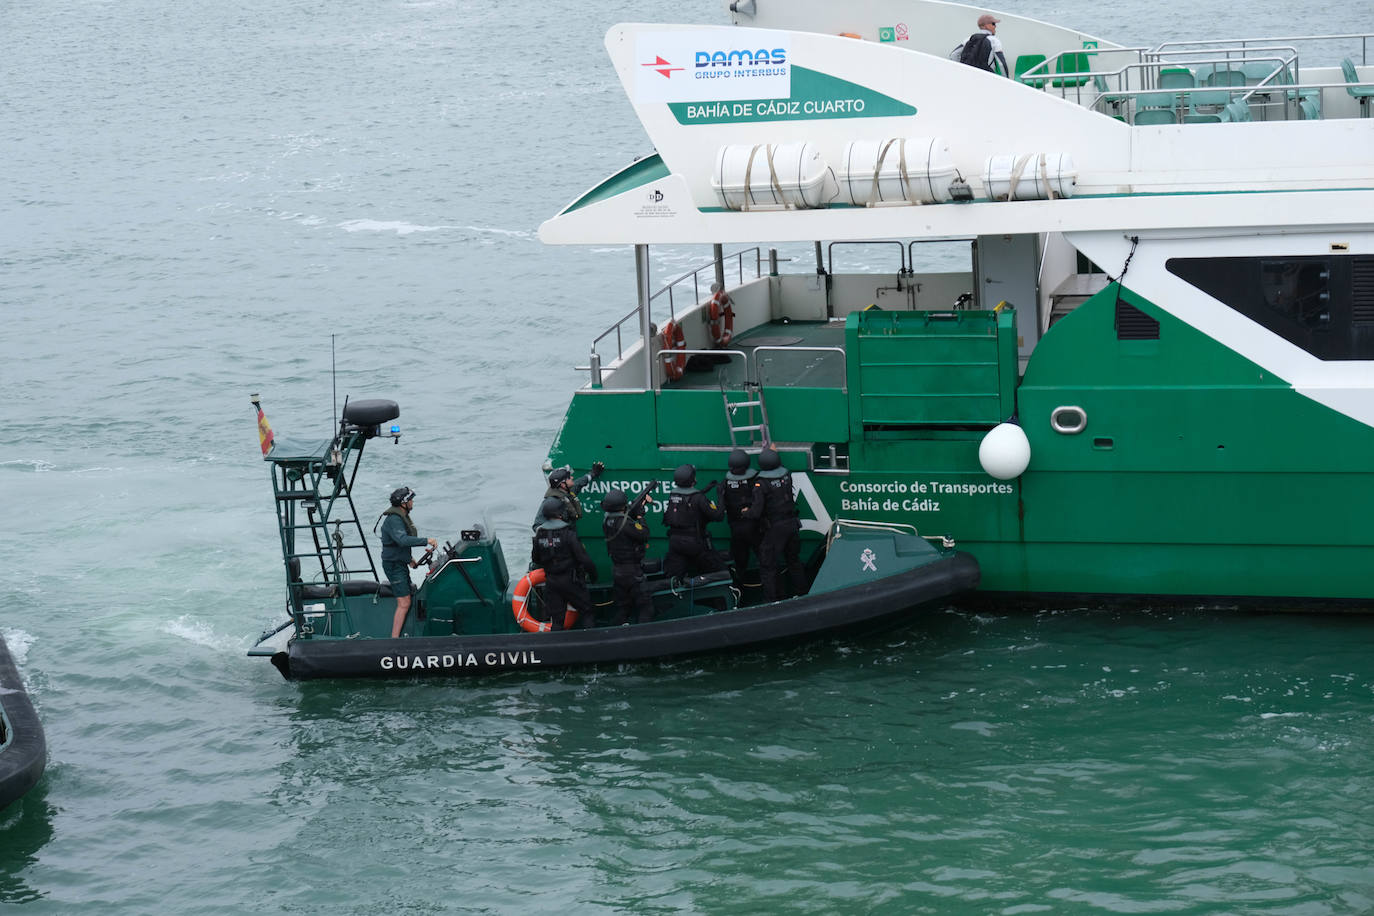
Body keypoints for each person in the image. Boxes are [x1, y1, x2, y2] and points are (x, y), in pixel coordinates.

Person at [377, 487, 437, 638]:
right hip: (394, 565)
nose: (412, 502)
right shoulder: (394, 520)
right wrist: (426, 540)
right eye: (410, 500)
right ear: (404, 503)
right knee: (404, 603)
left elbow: (397, 544)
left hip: (399, 563)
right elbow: (402, 540)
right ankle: (394, 640)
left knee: (409, 598)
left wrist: (409, 560)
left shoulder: (400, 517)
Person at [531, 496, 599, 629]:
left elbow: (536, 559)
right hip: (571, 580)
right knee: (587, 611)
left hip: (551, 582)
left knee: (557, 620)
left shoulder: (539, 534)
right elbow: (583, 558)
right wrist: (593, 575)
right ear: (561, 513)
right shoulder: (568, 533)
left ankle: (555, 647)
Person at [756, 448, 806, 602]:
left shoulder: (761, 483)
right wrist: (774, 453)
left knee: (768, 566)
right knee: (794, 561)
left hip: (774, 529)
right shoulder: (786, 475)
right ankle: (803, 594)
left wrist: (745, 512)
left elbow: (756, 511)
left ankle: (771, 602)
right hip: (792, 524)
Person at [661, 463, 726, 581]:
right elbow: (719, 516)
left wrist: (704, 490)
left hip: (675, 544)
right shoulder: (698, 498)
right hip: (695, 544)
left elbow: (689, 500)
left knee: (674, 580)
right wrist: (720, 495)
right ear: (692, 479)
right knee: (720, 574)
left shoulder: (673, 495)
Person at [602, 488, 655, 625]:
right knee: (645, 608)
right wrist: (640, 516)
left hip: (618, 571)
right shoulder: (625, 523)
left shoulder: (607, 521)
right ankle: (643, 638)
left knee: (623, 608)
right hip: (632, 572)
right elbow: (644, 534)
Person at [721, 448, 763, 591]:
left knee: (740, 563)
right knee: (764, 559)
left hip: (736, 528)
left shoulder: (725, 482)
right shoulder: (755, 478)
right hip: (754, 527)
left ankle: (739, 591)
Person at [533, 461, 604, 529]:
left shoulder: (566, 492)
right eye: (569, 478)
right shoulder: (551, 502)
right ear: (563, 485)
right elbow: (537, 525)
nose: (572, 478)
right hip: (562, 538)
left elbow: (579, 483)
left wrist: (592, 474)